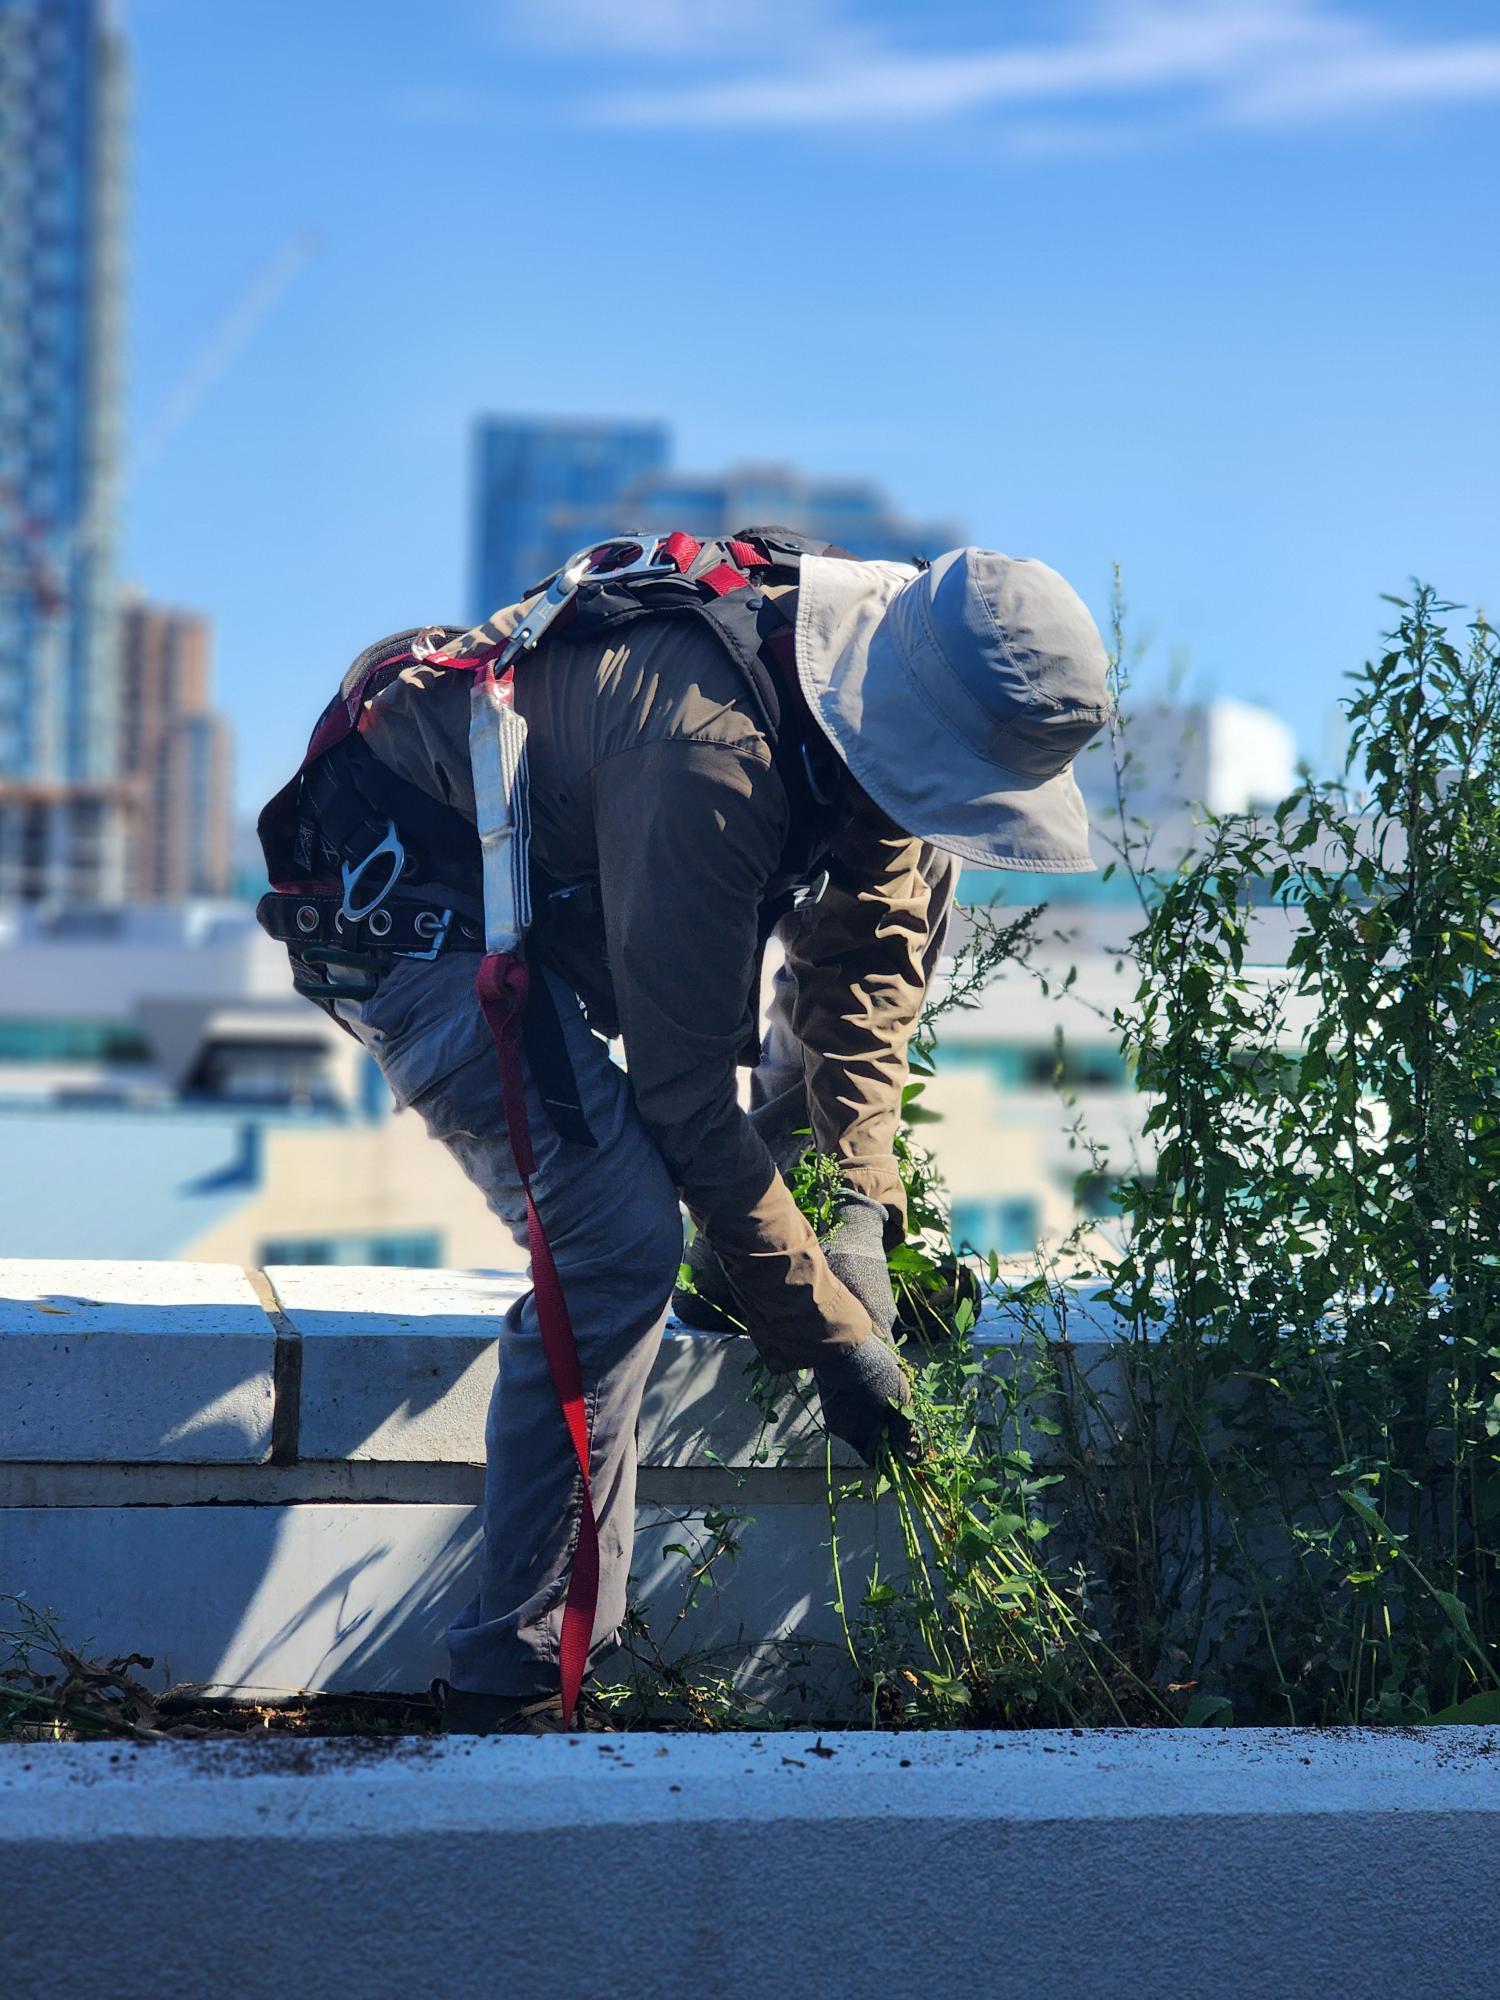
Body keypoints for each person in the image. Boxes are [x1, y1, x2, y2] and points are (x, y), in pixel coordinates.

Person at [258, 528, 1110, 1732]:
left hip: (573, 870)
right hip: (412, 899)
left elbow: (863, 978)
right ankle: (518, 1677)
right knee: (614, 1236)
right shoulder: (713, 749)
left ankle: (756, 1268)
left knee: (796, 1159)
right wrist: (831, 1340)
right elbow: (685, 1102)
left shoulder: (903, 694)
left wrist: (860, 1203)